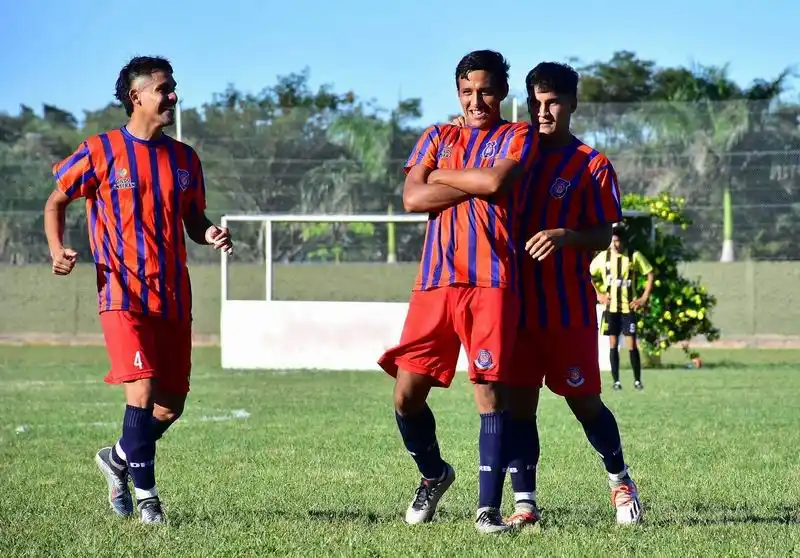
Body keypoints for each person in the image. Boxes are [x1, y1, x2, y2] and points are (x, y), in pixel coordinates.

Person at [44, 56, 233, 525]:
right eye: (164, 89)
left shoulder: (185, 158)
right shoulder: (101, 149)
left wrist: (209, 232)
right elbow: (56, 200)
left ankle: (117, 458)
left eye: (173, 87)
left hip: (173, 296)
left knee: (170, 406)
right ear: (137, 97)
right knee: (142, 391)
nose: (173, 96)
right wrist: (56, 247)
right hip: (121, 293)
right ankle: (149, 501)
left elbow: (193, 219)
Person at [377, 49, 538, 534]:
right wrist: (475, 183)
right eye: (467, 92)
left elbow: (495, 182)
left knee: (489, 394)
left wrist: (441, 175)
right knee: (406, 395)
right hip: (435, 282)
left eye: (485, 91)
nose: (476, 101)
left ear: (502, 92)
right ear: (457, 93)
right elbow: (412, 197)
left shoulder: (518, 135)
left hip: (490, 281)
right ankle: (434, 474)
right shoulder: (437, 135)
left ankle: (488, 511)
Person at [503, 62, 643, 528]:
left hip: (568, 308)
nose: (543, 112)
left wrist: (565, 236)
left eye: (553, 102)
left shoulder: (592, 164)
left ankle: (620, 481)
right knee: (519, 406)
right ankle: (525, 504)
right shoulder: (512, 155)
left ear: (572, 103)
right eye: (536, 103)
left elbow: (605, 233)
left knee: (584, 403)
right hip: (518, 306)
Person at [590, 224, 655, 390]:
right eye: (612, 241)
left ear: (623, 241)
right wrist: (599, 294)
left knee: (632, 344)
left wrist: (643, 298)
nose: (615, 244)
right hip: (611, 308)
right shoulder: (603, 257)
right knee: (613, 344)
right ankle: (616, 381)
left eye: (618, 241)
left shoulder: (633, 255)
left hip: (628, 308)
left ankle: (637, 381)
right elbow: (587, 274)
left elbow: (650, 273)